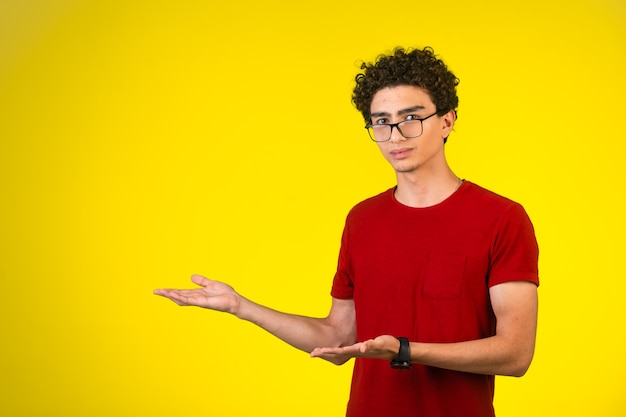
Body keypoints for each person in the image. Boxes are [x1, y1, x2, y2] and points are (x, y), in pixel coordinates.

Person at [154, 46, 540, 417]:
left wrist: (405, 350)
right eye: (382, 122)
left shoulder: (501, 218)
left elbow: (515, 354)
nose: (395, 135)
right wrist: (243, 307)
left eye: (411, 118)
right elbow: (339, 337)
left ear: (447, 120)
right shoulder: (363, 219)